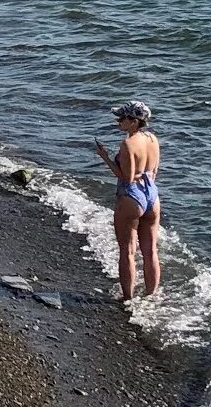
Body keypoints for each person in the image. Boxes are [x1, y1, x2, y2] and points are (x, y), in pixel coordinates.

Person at [94, 100, 161, 301]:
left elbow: (127, 177)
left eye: (122, 118)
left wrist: (105, 157)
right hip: (152, 194)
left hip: (131, 196)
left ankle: (128, 298)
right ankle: (151, 296)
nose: (118, 121)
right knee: (150, 251)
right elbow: (154, 171)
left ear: (134, 121)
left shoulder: (128, 144)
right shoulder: (152, 139)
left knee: (127, 250)